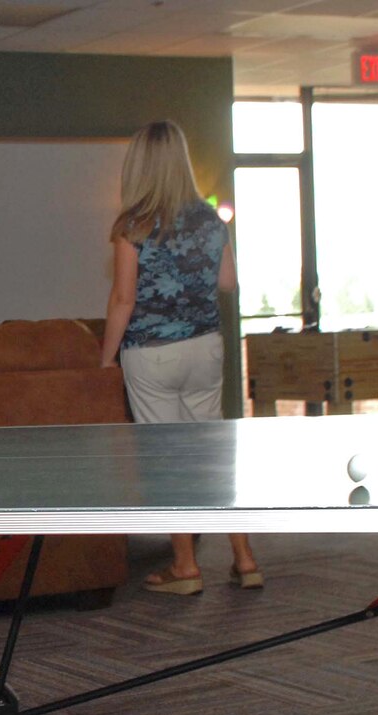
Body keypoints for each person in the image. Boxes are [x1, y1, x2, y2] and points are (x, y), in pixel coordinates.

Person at [99, 121, 260, 595]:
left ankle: (186, 566)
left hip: (152, 355)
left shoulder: (132, 226)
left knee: (165, 462)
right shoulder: (211, 220)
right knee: (212, 455)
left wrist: (105, 360)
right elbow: (228, 283)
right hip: (205, 347)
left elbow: (123, 299)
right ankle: (245, 558)